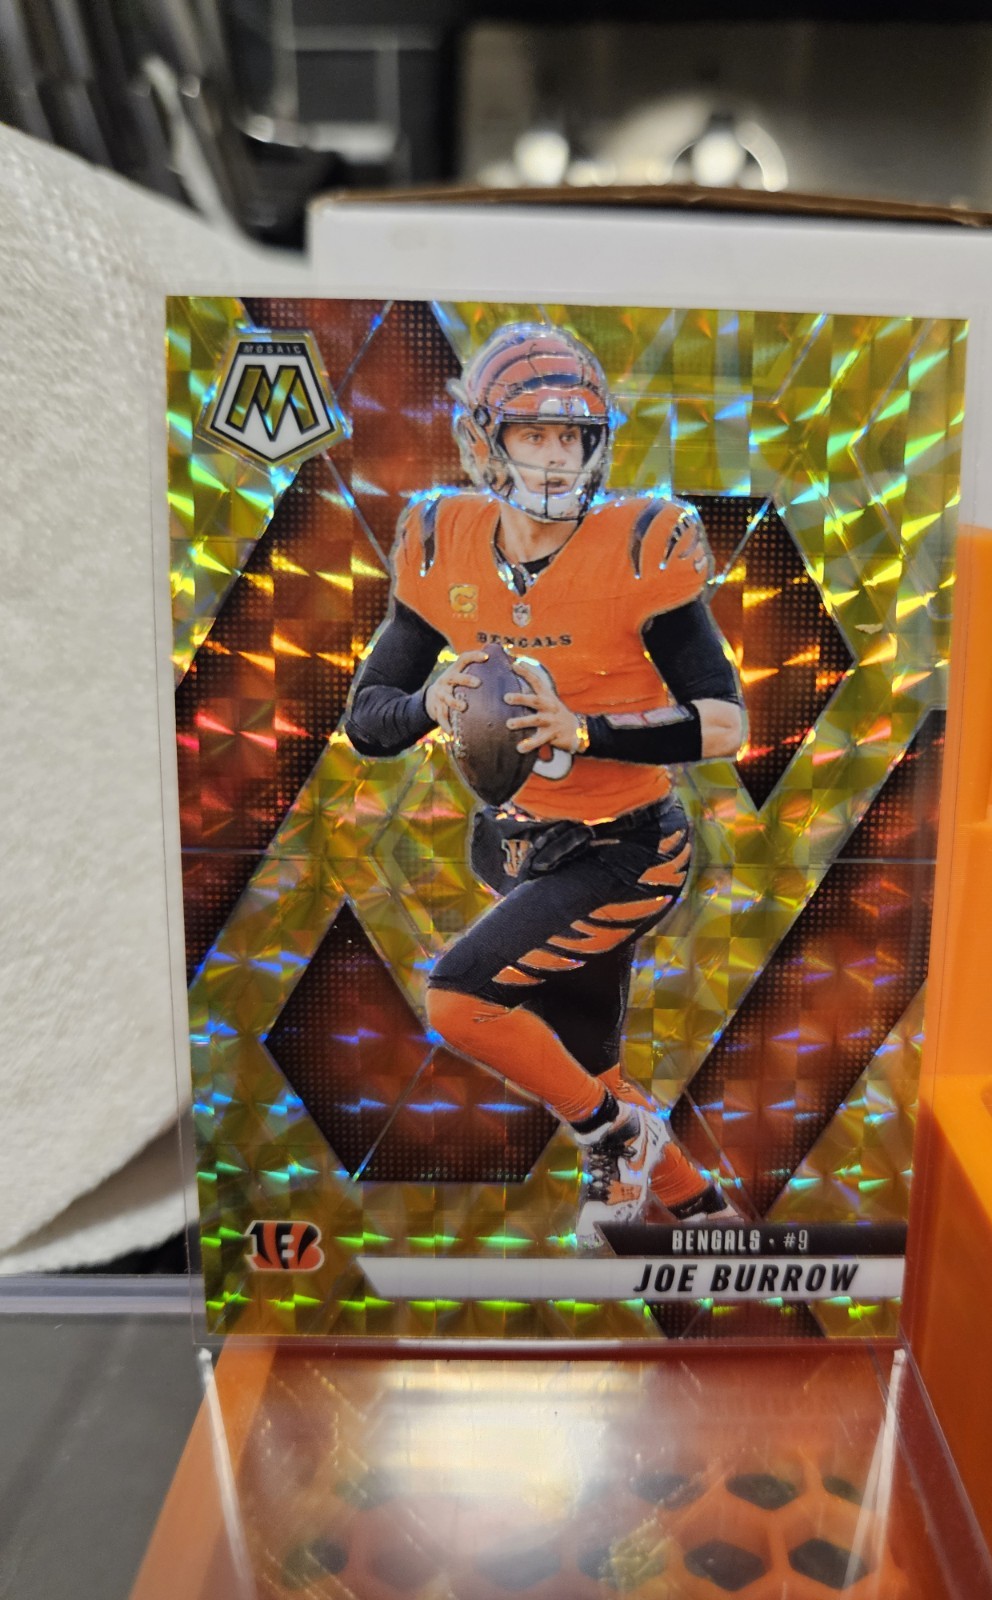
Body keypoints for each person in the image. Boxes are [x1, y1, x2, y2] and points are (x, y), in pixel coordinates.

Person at [345, 321, 745, 1248]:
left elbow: (725, 722)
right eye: (534, 432)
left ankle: (614, 1137)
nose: (558, 456)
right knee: (585, 1062)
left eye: (573, 436)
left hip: (627, 851)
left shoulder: (642, 545)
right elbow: (367, 719)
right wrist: (429, 701)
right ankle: (700, 1210)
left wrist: (584, 730)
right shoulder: (443, 540)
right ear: (483, 440)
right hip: (520, 847)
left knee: (460, 1000)